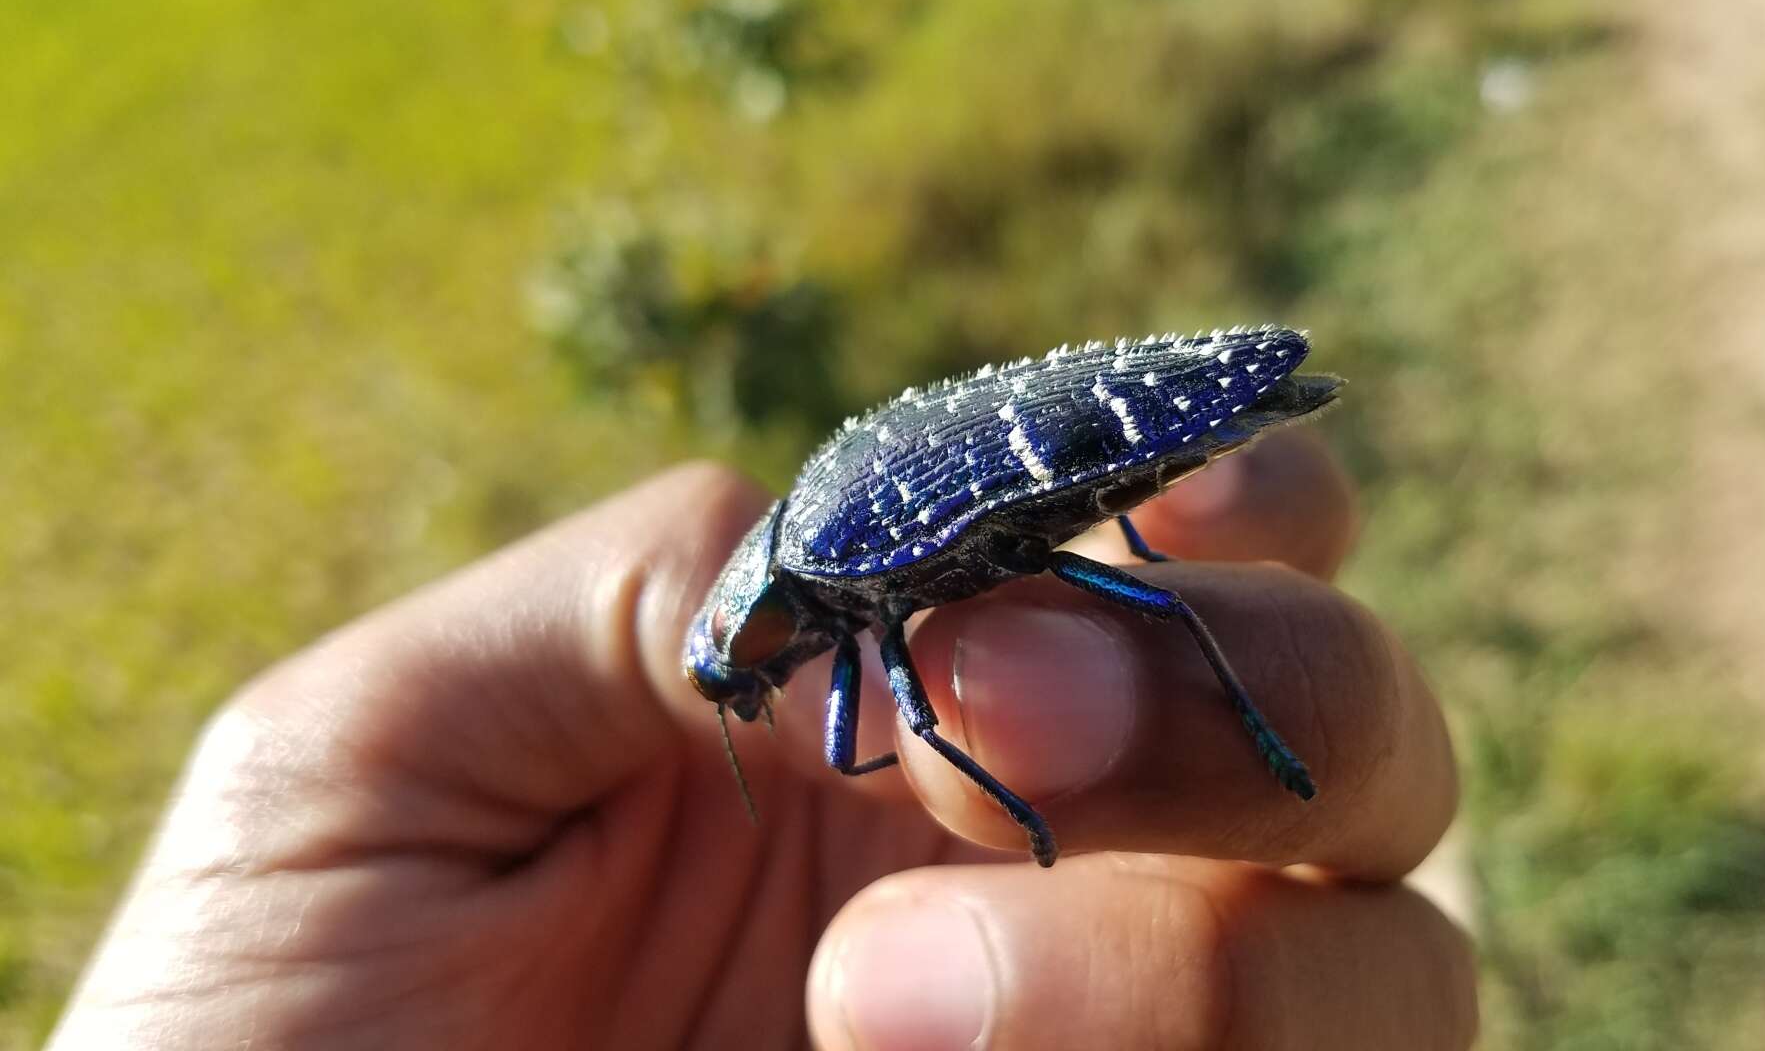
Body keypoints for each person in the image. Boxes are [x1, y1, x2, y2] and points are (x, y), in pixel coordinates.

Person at [48, 434, 1473, 1049]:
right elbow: (860, 734)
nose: (756, 687)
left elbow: (877, 731)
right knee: (1088, 648)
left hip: (1061, 482)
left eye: (747, 665)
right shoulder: (817, 612)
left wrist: (997, 802)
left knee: (1152, 631)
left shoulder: (833, 583)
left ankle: (1248, 734)